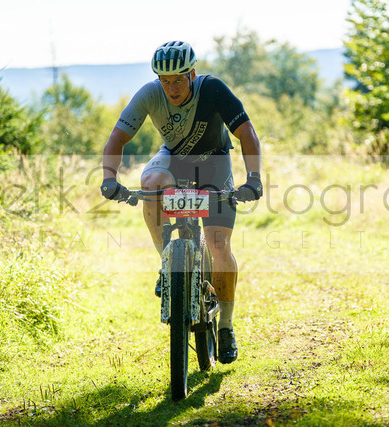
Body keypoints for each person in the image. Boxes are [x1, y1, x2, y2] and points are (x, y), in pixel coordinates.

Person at [100, 40, 262, 364]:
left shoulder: (212, 89)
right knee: (150, 185)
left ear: (192, 74)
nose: (171, 88)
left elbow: (247, 133)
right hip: (173, 159)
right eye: (165, 80)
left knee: (218, 246)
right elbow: (117, 137)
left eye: (178, 80)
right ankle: (167, 264)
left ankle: (226, 325)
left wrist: (253, 179)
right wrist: (109, 178)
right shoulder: (150, 94)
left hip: (214, 163)